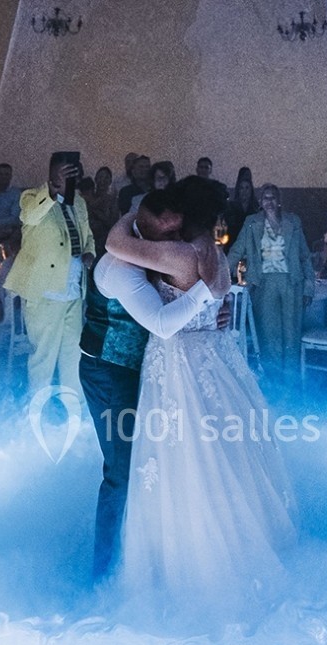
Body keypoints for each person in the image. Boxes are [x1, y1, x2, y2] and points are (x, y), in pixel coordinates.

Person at [104, 177, 296, 620]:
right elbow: (218, 300)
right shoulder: (216, 253)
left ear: (181, 216)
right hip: (219, 359)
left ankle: (192, 563)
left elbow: (115, 244)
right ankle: (244, 543)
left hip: (179, 366)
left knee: (184, 459)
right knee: (226, 455)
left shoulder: (177, 254)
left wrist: (135, 212)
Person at [80, 187, 225, 580]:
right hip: (110, 371)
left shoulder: (147, 243)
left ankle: (148, 551)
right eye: (167, 236)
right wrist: (205, 292)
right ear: (147, 227)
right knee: (122, 471)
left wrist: (208, 312)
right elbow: (161, 324)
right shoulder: (120, 266)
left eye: (178, 233)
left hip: (148, 370)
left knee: (155, 462)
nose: (174, 244)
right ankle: (105, 571)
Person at [3, 151, 96, 397]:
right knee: (43, 355)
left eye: (77, 173)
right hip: (45, 291)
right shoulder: (33, 197)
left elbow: (88, 235)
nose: (73, 178)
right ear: (53, 174)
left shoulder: (79, 201)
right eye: (67, 173)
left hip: (74, 288)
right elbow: (29, 215)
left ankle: (72, 403)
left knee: (72, 353)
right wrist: (52, 191)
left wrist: (89, 252)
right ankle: (37, 407)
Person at [226, 183, 314, 382]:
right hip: (263, 284)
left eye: (273, 197)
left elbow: (304, 256)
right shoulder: (252, 222)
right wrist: (222, 273)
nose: (270, 201)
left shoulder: (293, 221)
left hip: (291, 282)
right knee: (268, 335)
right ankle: (274, 382)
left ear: (280, 200)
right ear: (260, 202)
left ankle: (291, 384)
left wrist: (309, 287)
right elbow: (238, 250)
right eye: (266, 198)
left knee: (291, 335)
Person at [0, 163, 22, 260]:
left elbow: (15, 218)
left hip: (8, 239)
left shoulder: (15, 193)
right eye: (1, 174)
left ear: (11, 176)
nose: (3, 177)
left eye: (6, 174)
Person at [222, 166, 259, 248]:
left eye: (247, 188)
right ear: (238, 190)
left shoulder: (257, 209)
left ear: (251, 190)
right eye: (241, 188)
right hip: (234, 245)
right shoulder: (230, 208)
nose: (244, 191)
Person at [85, 166, 119, 250]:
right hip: (89, 240)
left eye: (106, 178)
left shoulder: (113, 200)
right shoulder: (87, 198)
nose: (103, 180)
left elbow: (113, 223)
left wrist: (94, 210)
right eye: (100, 177)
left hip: (106, 241)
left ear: (110, 181)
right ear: (95, 179)